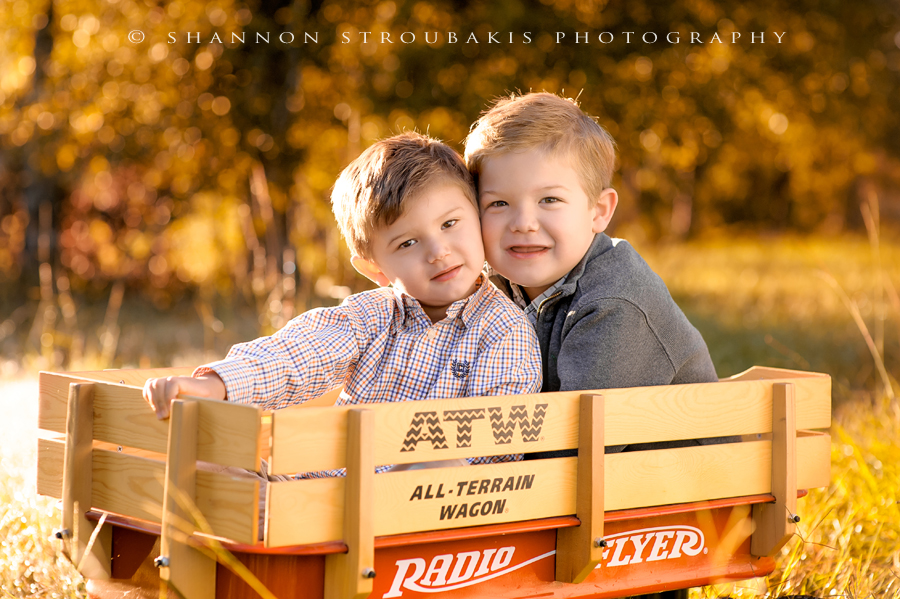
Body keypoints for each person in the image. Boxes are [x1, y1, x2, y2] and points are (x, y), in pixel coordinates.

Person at [143, 131, 542, 475]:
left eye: (450, 224)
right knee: (215, 463)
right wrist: (216, 384)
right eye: (407, 243)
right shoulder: (371, 316)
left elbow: (493, 445)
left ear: (477, 218)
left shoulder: (504, 330)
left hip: (419, 508)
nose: (438, 251)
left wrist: (426, 475)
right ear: (375, 270)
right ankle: (245, 535)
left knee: (429, 468)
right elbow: (296, 355)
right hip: (323, 485)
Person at [465, 92, 725, 454]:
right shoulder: (490, 285)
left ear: (598, 211)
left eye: (549, 200)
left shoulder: (614, 301)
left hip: (686, 490)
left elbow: (575, 449)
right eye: (498, 203)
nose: (523, 223)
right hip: (600, 491)